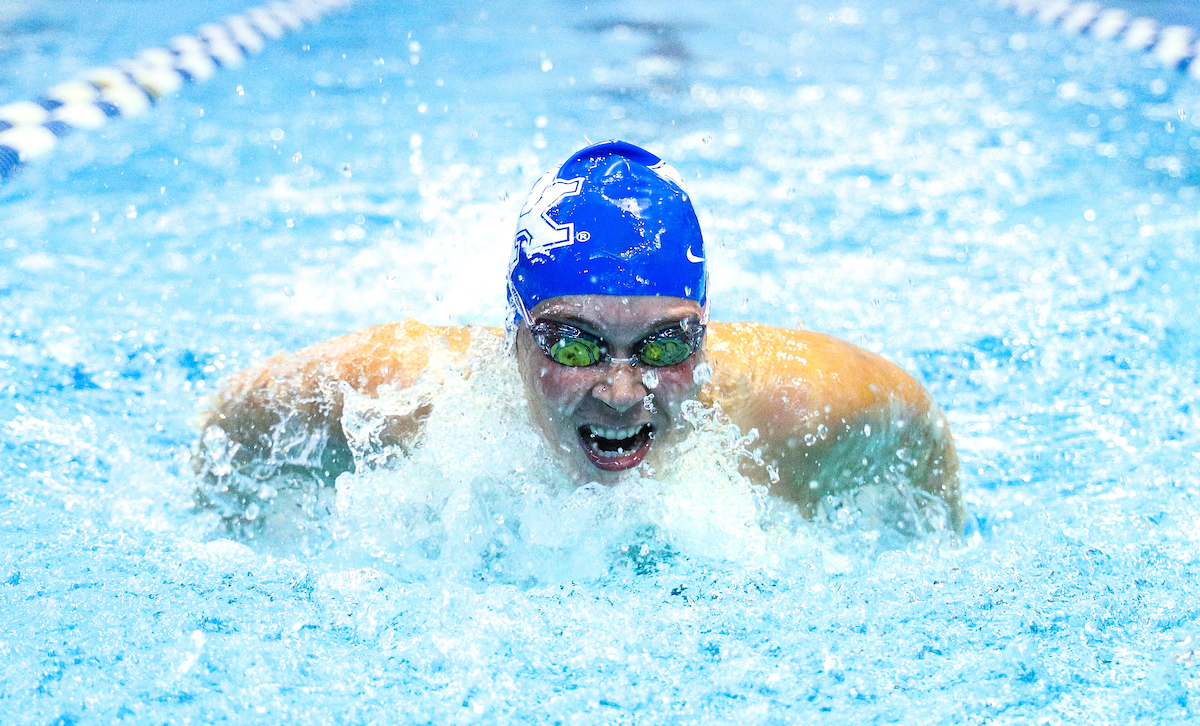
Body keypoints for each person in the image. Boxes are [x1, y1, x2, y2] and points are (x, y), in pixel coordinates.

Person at [198, 141, 965, 531]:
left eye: (665, 346)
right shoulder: (399, 398)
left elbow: (920, 432)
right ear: (515, 340)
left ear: (706, 336)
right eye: (572, 343)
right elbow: (229, 424)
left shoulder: (798, 405)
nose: (623, 390)